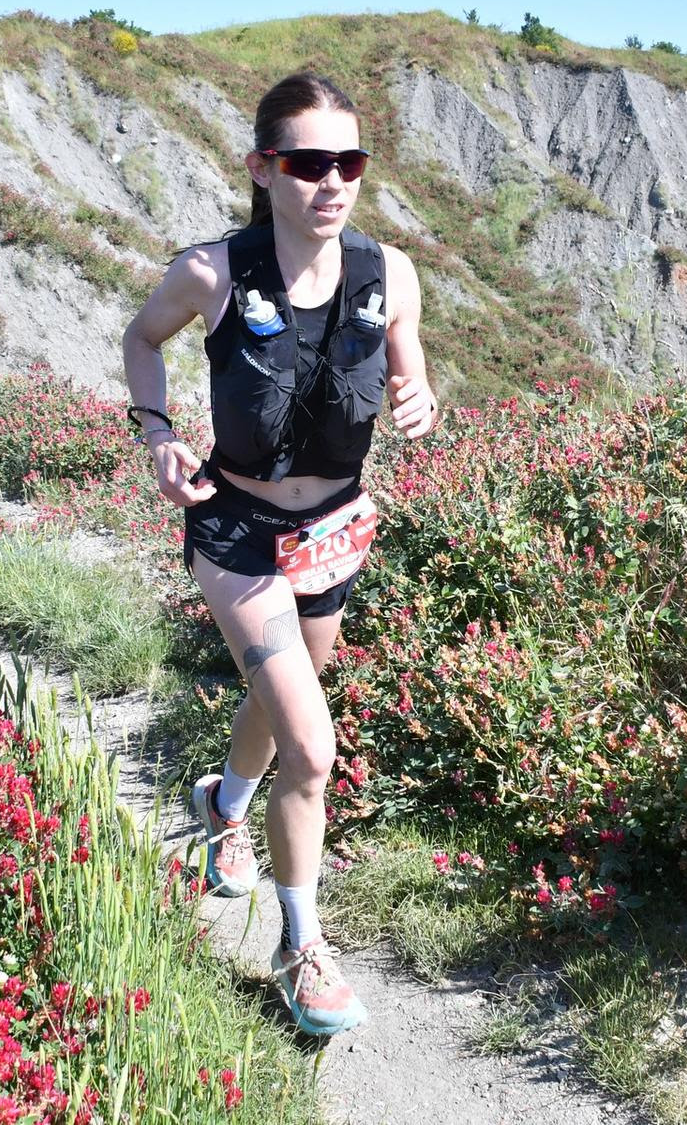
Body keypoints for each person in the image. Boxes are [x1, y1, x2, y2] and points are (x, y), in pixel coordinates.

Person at [122, 72, 438, 1036]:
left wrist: (420, 397)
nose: (331, 180)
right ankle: (302, 947)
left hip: (335, 530)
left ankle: (224, 807)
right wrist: (157, 432)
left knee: (279, 696)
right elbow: (142, 339)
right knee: (311, 741)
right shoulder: (212, 272)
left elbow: (408, 361)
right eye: (307, 162)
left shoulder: (391, 273)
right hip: (238, 529)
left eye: (349, 161)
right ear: (263, 169)